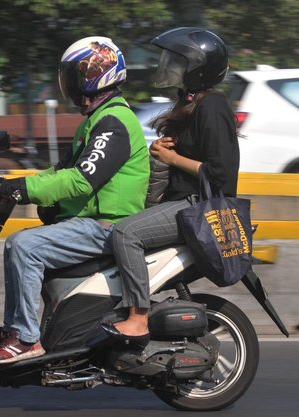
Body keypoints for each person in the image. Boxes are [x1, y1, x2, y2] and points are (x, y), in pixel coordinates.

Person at [0, 36, 150, 364]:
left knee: (24, 246)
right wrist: (13, 183)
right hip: (90, 221)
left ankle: (26, 338)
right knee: (26, 243)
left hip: (106, 225)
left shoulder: (114, 123)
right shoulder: (98, 120)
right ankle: (26, 329)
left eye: (75, 75)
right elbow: (61, 169)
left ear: (95, 74)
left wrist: (24, 191)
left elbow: (81, 179)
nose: (69, 84)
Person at [100, 27, 240, 347]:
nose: (169, 66)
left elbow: (221, 175)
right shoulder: (190, 103)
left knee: (126, 233)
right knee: (110, 227)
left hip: (199, 205)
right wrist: (166, 149)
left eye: (177, 60)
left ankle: (136, 318)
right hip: (181, 201)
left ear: (197, 67)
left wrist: (173, 157)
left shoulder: (213, 106)